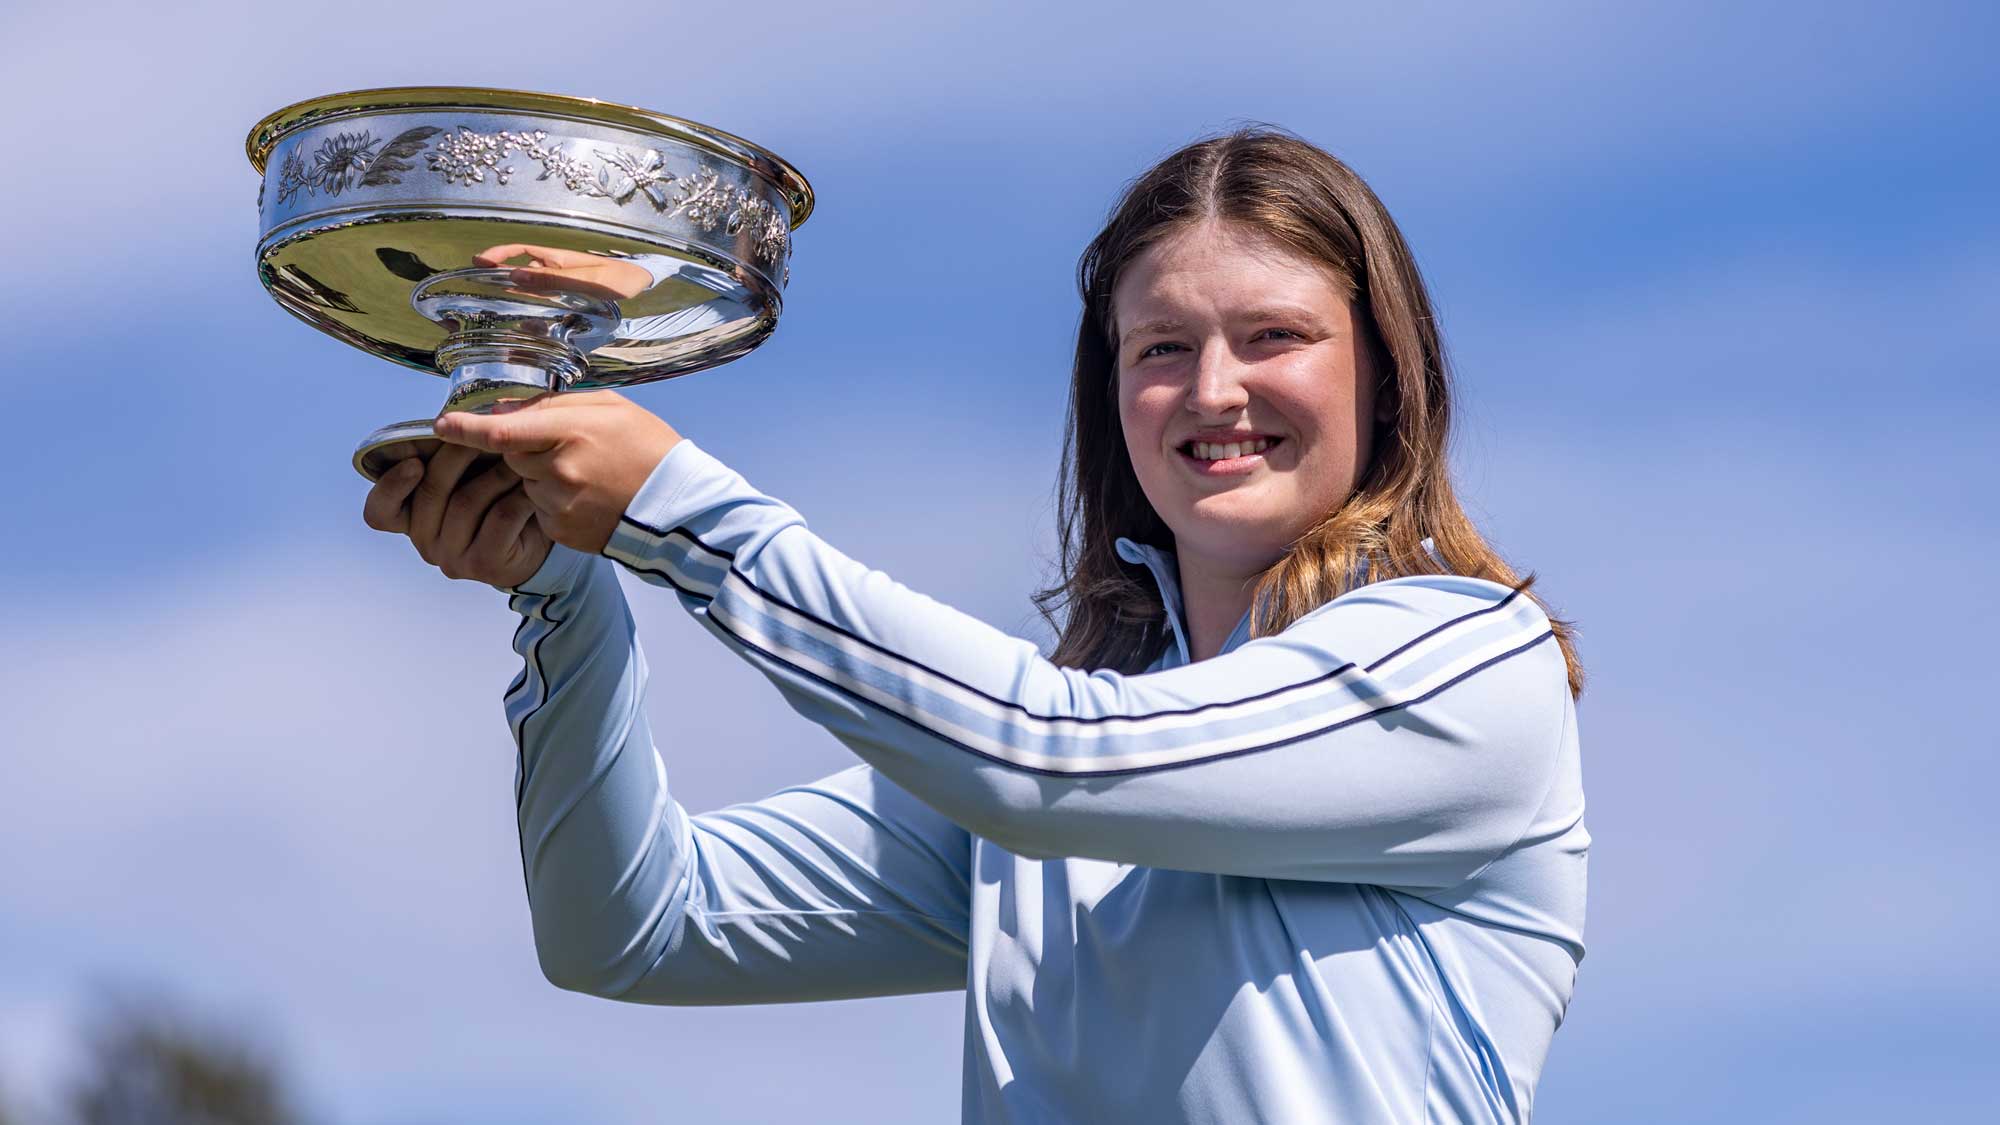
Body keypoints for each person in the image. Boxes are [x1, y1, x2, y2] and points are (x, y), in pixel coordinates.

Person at [362, 126, 1589, 1124]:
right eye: (1161, 348)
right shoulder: (1042, 781)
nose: (1213, 391)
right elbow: (634, 928)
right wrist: (568, 593)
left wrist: (678, 508)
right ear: (1108, 395)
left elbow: (1051, 760)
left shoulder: (1466, 661)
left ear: (1384, 372)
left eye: (1274, 337)